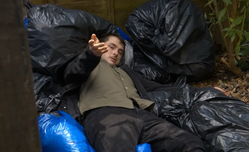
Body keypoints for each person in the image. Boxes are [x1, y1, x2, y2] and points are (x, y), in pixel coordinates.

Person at [62, 32, 208, 152]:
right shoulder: (91, 64)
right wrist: (91, 54)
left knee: (189, 143)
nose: (115, 53)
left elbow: (159, 87)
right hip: (107, 114)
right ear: (100, 45)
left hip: (143, 116)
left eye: (120, 52)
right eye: (111, 47)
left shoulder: (127, 72)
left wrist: (203, 92)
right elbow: (72, 73)